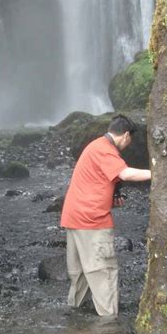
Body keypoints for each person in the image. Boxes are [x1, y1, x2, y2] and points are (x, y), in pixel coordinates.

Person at [60, 113, 151, 317]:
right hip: (91, 221)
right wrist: (159, 172)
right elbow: (126, 174)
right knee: (104, 273)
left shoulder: (94, 146)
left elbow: (93, 183)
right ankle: (108, 329)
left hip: (73, 217)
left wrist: (110, 200)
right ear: (126, 135)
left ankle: (74, 321)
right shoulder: (106, 150)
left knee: (81, 274)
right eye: (129, 141)